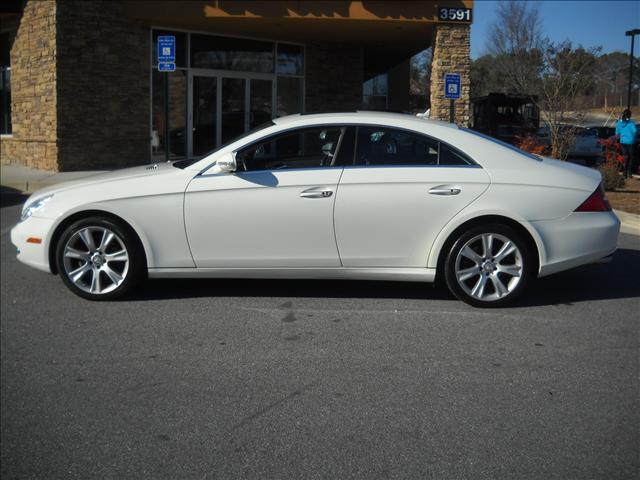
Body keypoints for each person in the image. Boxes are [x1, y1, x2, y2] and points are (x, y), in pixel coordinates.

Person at [615, 109, 637, 179]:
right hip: (630, 142)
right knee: (632, 157)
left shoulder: (619, 123)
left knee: (626, 157)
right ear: (629, 115)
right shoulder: (631, 123)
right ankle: (629, 172)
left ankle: (624, 173)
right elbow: (635, 131)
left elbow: (617, 133)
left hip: (622, 142)